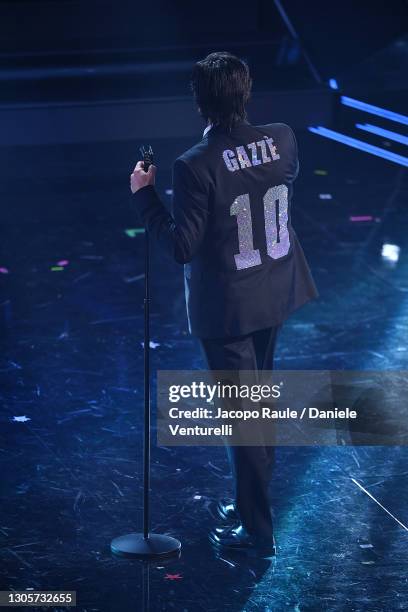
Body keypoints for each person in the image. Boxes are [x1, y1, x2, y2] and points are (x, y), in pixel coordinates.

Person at [130, 51, 318, 553]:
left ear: (199, 101)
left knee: (244, 418)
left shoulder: (195, 164)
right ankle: (251, 504)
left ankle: (257, 531)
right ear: (246, 91)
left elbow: (180, 246)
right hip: (274, 290)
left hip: (230, 308)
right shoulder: (282, 138)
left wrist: (144, 195)